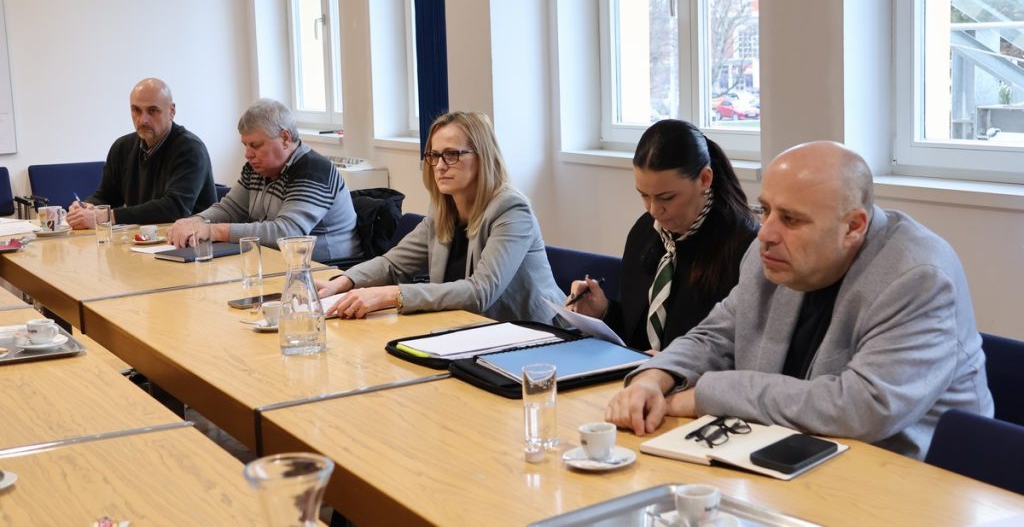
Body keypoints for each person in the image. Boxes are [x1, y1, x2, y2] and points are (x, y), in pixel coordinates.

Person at [605, 141, 992, 460]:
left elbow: (863, 407)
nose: (766, 233)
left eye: (791, 219)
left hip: (913, 480)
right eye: (766, 210)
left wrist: (702, 398)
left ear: (853, 226)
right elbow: (717, 335)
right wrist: (654, 379)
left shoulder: (918, 277)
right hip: (793, 453)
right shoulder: (770, 255)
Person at [315, 110, 560, 323]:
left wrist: (392, 295)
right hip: (469, 329)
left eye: (452, 154)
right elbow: (394, 264)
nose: (440, 166)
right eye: (434, 155)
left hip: (537, 335)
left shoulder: (511, 209)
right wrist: (341, 282)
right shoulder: (444, 210)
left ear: (482, 157)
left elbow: (480, 292)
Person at [568, 120, 758, 351]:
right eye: (644, 195)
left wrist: (671, 364)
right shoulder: (645, 231)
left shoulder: (743, 247)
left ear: (704, 179)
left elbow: (741, 350)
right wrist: (603, 312)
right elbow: (635, 336)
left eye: (667, 198)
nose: (654, 210)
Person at [167, 99, 359, 263]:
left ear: (285, 138)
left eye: (256, 145)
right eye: (245, 145)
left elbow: (287, 233)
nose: (248, 154)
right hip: (276, 261)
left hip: (326, 268)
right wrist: (195, 222)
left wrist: (214, 231)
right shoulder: (258, 167)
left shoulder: (313, 170)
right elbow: (230, 209)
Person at [66, 78, 216, 228]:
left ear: (171, 111)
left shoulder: (190, 149)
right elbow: (106, 196)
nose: (143, 120)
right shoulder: (122, 147)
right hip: (143, 238)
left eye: (152, 111)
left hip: (193, 238)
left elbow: (175, 208)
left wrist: (107, 216)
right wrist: (87, 207)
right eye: (136, 110)